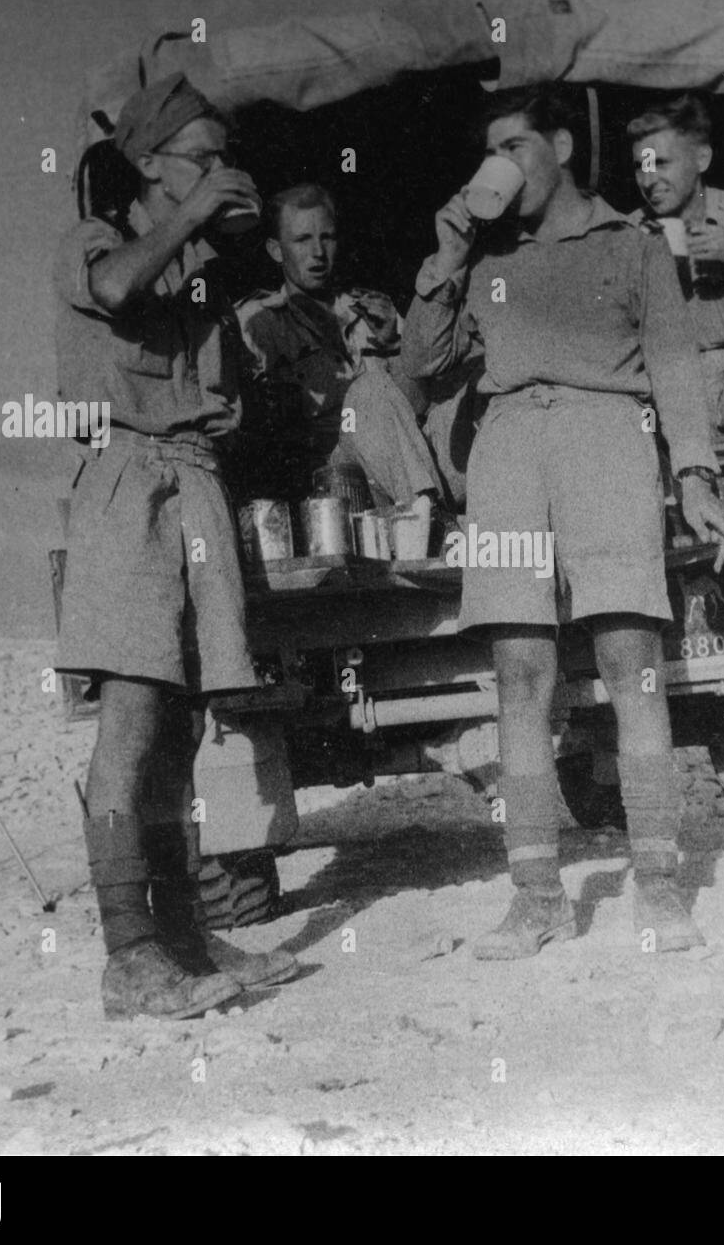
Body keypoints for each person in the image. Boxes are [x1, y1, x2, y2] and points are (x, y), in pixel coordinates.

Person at [402, 84, 724, 959]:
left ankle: (661, 887)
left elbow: (672, 361)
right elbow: (423, 363)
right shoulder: (486, 258)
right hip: (510, 448)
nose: (503, 166)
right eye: (493, 151)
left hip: (607, 438)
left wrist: (696, 472)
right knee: (519, 672)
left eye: (517, 145)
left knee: (633, 661)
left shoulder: (630, 245)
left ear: (561, 143)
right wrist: (446, 251)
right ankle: (536, 894)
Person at [54, 73, 297, 1018]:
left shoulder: (197, 269)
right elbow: (116, 287)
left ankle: (187, 940)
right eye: (200, 156)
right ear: (149, 165)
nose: (217, 172)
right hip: (129, 489)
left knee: (186, 726)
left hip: (193, 482)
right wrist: (193, 212)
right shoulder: (99, 241)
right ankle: (129, 957)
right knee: (133, 724)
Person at [231, 183, 470, 513]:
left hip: (395, 465)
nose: (318, 252)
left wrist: (395, 343)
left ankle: (431, 515)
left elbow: (425, 396)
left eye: (326, 237)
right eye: (303, 239)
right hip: (329, 478)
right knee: (368, 392)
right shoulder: (257, 321)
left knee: (466, 397)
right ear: (275, 249)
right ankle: (427, 520)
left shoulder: (371, 310)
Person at [626, 95, 724, 526]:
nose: (649, 179)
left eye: (662, 163)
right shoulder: (626, 236)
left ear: (702, 157)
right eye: (641, 165)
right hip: (667, 397)